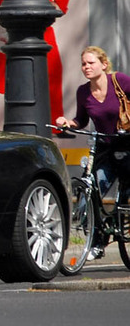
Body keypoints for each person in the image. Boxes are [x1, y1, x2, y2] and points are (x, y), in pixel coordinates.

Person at [56, 46, 130, 260]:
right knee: (95, 188)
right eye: (83, 64)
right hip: (104, 147)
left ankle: (121, 216)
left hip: (126, 144)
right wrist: (68, 122)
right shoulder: (83, 92)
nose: (86, 67)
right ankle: (98, 241)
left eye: (91, 63)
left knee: (125, 191)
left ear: (103, 65)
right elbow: (81, 119)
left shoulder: (120, 81)